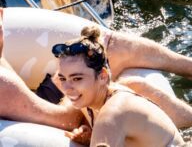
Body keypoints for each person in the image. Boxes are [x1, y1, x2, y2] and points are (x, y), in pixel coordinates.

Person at [0, 8, 192, 136]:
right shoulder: (3, 84)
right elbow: (65, 121)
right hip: (31, 120)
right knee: (132, 90)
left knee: (126, 74)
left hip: (33, 101)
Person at [53, 26, 185, 146]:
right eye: (63, 78)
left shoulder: (113, 113)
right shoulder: (94, 100)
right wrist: (92, 136)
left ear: (103, 76)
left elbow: (111, 122)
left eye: (77, 78)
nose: (67, 88)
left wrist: (101, 134)